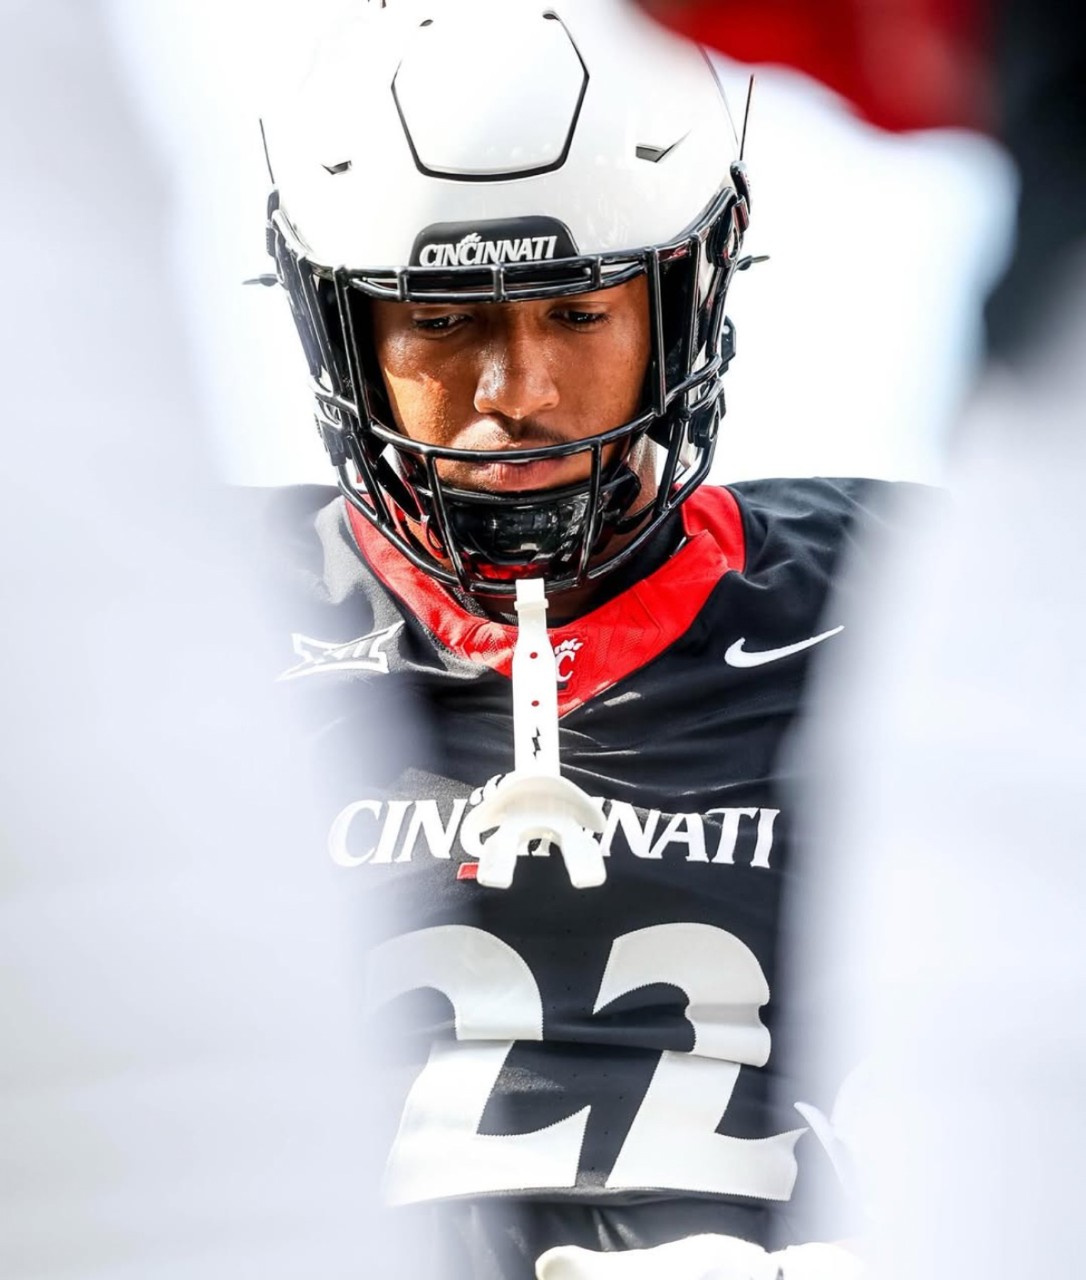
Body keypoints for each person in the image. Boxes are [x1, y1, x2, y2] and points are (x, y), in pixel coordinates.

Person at [254, 1, 894, 1275]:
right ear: (342, 330)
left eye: (578, 312)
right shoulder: (203, 624)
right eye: (440, 322)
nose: (518, 394)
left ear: (687, 295)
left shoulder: (898, 601)